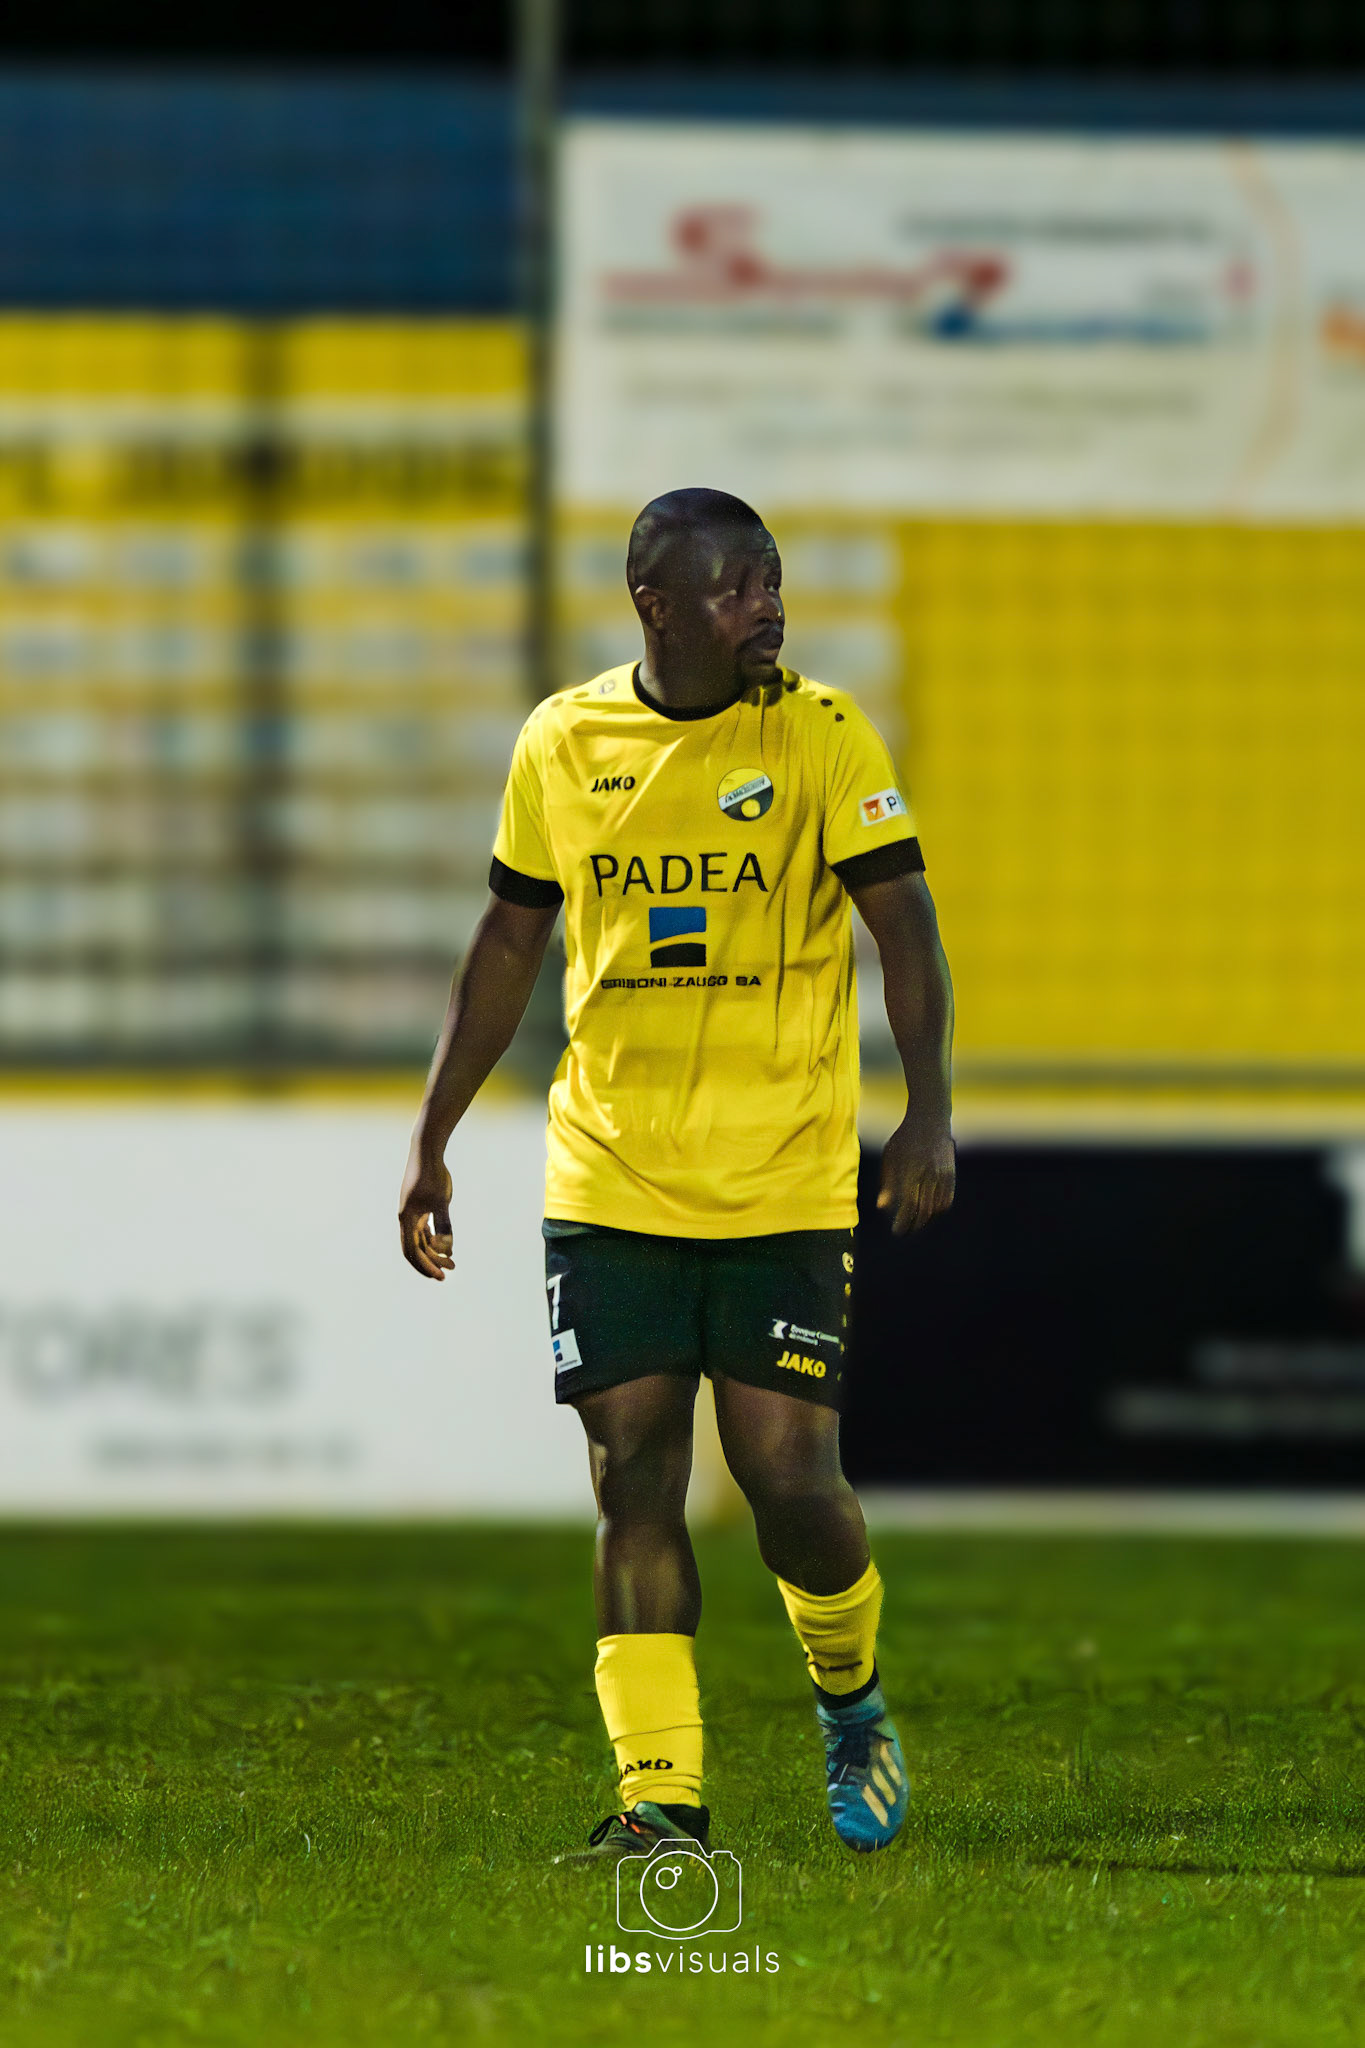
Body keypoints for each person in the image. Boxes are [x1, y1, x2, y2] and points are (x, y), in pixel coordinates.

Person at [399, 487, 954, 1858]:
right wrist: (432, 1139)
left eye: (771, 583)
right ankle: (663, 1805)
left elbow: (905, 927)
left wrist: (928, 1110)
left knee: (789, 1487)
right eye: (735, 587)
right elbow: (510, 943)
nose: (766, 606)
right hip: (609, 1173)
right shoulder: (562, 740)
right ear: (656, 604)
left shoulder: (822, 736)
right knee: (631, 1477)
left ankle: (850, 1696)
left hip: (780, 1175)